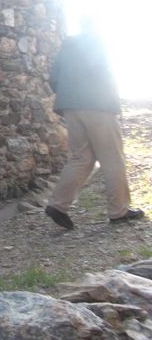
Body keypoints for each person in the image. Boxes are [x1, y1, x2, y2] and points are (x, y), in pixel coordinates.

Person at [44, 18, 143, 230]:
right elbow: (106, 73)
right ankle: (119, 211)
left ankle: (58, 205)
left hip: (71, 107)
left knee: (81, 157)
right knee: (112, 158)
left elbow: (53, 78)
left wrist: (70, 99)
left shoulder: (68, 45)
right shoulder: (99, 42)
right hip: (98, 105)